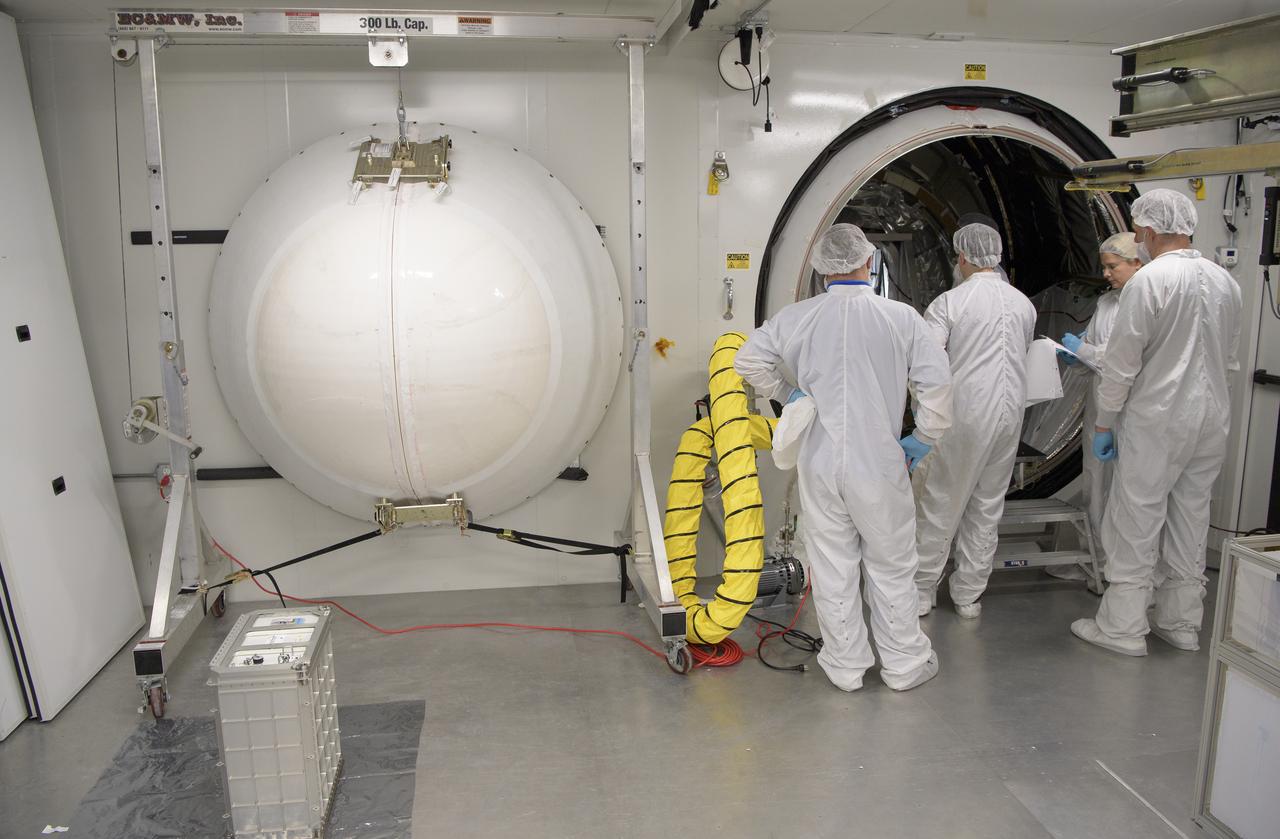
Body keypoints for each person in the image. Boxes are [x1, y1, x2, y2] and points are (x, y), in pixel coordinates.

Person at [735, 223, 953, 692]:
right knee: (892, 563)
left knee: (832, 565)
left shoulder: (796, 318)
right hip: (879, 462)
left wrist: (789, 393)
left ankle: (845, 666)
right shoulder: (901, 318)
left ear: (820, 269)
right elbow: (936, 386)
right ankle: (903, 666)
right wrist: (924, 438)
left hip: (818, 457)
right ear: (868, 260)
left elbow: (748, 361)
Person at [1071, 189, 1241, 656]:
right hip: (1211, 420)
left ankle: (1123, 628)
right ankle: (1182, 623)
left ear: (1145, 231)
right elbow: (1228, 360)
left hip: (1158, 419)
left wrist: (1104, 422)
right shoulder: (1226, 282)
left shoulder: (1150, 282)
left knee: (1136, 516)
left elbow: (1122, 365)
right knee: (1191, 516)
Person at [913, 223, 1037, 618]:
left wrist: (922, 419)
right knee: (986, 506)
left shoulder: (950, 303)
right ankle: (968, 594)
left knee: (941, 503)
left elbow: (927, 366)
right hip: (1009, 416)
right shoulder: (1023, 304)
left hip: (963, 417)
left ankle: (920, 590)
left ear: (963, 257)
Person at [1047, 233, 1146, 582]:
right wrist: (1074, 356)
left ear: (1138, 262)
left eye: (1112, 266)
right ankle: (1098, 559)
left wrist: (1088, 353)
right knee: (1096, 480)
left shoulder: (1147, 303)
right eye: (1104, 267)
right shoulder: (1106, 303)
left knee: (1128, 487)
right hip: (1099, 403)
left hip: (1133, 409)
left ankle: (1125, 569)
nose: (1106, 274)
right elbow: (1091, 346)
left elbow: (1127, 359)